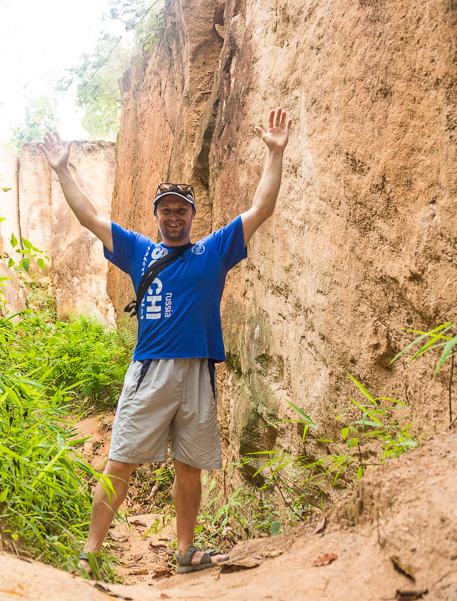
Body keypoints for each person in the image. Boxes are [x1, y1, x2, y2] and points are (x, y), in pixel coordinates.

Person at [40, 107, 291, 576]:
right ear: (156, 215)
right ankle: (90, 553)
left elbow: (262, 209)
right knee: (121, 462)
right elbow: (90, 217)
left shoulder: (213, 249)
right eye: (166, 209)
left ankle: (186, 553)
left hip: (198, 370)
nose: (173, 216)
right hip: (150, 370)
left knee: (189, 466)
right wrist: (61, 169)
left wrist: (274, 154)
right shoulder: (139, 250)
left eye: (181, 209)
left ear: (192, 215)